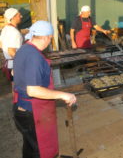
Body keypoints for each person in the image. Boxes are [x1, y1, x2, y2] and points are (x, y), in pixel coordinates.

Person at [13, 21, 77, 158]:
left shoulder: (24, 48)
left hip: (20, 108)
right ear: (47, 37)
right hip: (32, 112)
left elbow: (14, 72)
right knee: (38, 151)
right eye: (50, 38)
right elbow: (33, 90)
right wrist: (64, 95)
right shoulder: (34, 57)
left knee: (30, 146)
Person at [0, 8, 23, 81]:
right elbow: (11, 51)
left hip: (9, 64)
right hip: (15, 65)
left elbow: (1, 45)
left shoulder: (5, 29)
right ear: (13, 17)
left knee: (15, 88)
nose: (21, 16)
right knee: (20, 89)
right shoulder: (13, 32)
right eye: (19, 15)